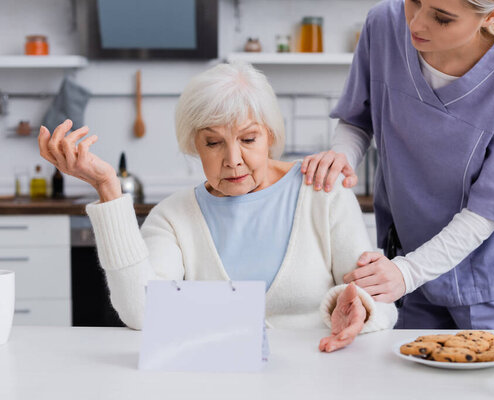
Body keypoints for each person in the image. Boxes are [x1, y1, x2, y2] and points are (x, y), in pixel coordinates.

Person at [38, 62, 397, 352]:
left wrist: (360, 310)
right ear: (194, 144)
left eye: (248, 139)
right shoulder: (174, 217)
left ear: (270, 135)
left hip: (320, 378)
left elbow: (380, 302)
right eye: (213, 142)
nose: (233, 160)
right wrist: (107, 187)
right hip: (213, 383)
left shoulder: (323, 191)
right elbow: (141, 312)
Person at [302, 0, 494, 329]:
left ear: (490, 15)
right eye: (414, 2)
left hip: (489, 286)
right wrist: (341, 157)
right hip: (406, 273)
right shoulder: (383, 24)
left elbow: (492, 207)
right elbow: (357, 119)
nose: (416, 24)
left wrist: (409, 272)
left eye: (442, 18)